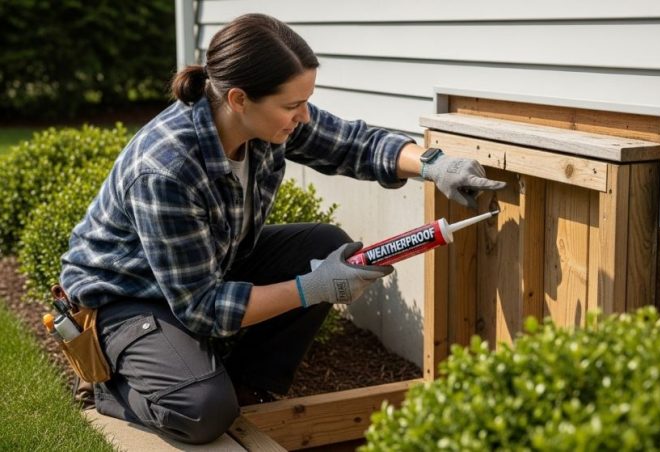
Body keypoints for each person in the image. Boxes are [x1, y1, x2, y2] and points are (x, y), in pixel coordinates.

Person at [59, 13, 505, 444]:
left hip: (206, 267)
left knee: (325, 245)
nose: (305, 116)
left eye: (305, 101)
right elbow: (203, 308)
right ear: (238, 99)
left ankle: (245, 386)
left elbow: (353, 143)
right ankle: (110, 385)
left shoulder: (268, 122)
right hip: (128, 296)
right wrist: (315, 287)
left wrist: (433, 165)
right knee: (201, 411)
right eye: (292, 105)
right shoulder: (166, 169)